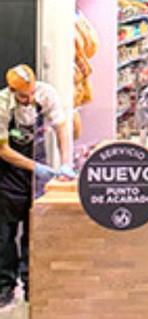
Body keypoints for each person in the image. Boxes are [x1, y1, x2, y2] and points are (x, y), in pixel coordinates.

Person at [0, 65, 74, 306]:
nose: (30, 99)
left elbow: (62, 128)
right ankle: (5, 286)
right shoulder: (2, 104)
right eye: (24, 96)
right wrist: (37, 168)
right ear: (13, 91)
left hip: (36, 171)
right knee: (5, 234)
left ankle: (34, 283)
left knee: (35, 230)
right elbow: (3, 149)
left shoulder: (46, 94)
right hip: (8, 174)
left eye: (31, 92)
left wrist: (65, 162)